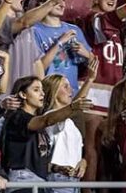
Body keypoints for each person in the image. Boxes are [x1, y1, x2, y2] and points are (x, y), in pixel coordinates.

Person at [1, 76, 92, 191]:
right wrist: (73, 107)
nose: (42, 94)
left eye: (42, 90)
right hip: (23, 180)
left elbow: (39, 159)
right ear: (23, 95)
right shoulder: (18, 117)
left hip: (40, 182)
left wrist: (57, 168)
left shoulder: (39, 126)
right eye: (36, 90)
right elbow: (47, 120)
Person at [41, 58, 99, 193]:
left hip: (74, 181)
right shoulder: (51, 116)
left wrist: (83, 161)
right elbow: (74, 108)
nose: (70, 89)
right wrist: (89, 81)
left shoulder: (71, 122)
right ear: (54, 91)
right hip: (56, 179)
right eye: (65, 86)